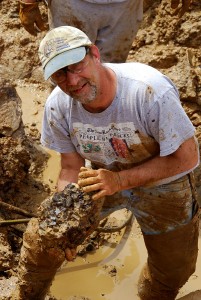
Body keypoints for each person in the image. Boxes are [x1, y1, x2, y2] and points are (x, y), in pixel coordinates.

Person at [38, 26, 200, 300]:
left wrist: (121, 181)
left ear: (95, 54)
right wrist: (66, 225)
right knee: (46, 241)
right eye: (59, 74)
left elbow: (187, 157)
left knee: (173, 272)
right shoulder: (58, 106)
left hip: (165, 182)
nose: (73, 81)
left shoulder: (149, 92)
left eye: (76, 65)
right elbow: (69, 168)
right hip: (103, 179)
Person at [19, 0, 192, 62]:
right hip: (71, 5)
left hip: (125, 5)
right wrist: (28, 3)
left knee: (110, 67)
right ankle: (61, 123)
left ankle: (101, 120)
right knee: (65, 62)